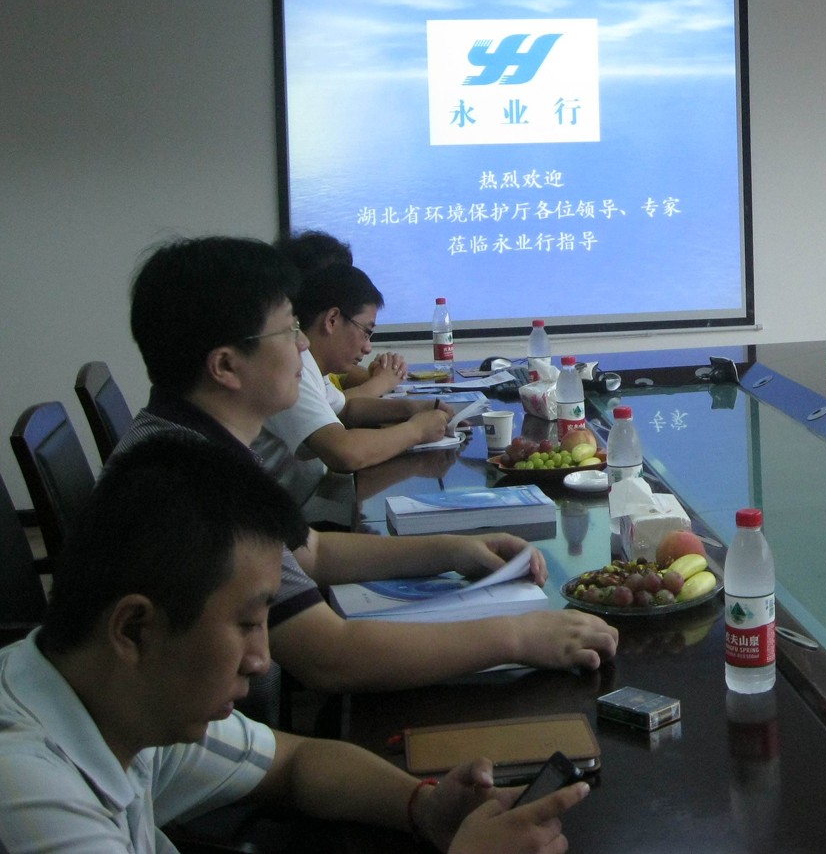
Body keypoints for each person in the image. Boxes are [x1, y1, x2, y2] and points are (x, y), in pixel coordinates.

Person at [0, 434, 586, 854]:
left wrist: (424, 806)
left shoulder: (126, 703)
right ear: (133, 630)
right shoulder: (29, 797)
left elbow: (297, 763)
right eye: (247, 624)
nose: (262, 660)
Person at [117, 236, 617, 694]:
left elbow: (312, 553)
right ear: (226, 366)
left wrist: (457, 549)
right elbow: (331, 656)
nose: (304, 345)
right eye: (289, 330)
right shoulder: (195, 488)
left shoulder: (193, 446)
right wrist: (518, 636)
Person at [252, 262, 450, 512]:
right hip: (281, 518)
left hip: (305, 505)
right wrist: (417, 430)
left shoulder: (313, 366)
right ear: (332, 320)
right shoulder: (293, 366)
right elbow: (345, 453)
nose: (368, 347)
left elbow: (346, 409)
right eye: (366, 332)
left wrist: (414, 408)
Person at [276, 230, 408, 398]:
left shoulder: (320, 358)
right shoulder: (297, 360)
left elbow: (342, 386)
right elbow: (331, 409)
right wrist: (381, 382)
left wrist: (378, 375)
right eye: (338, 275)